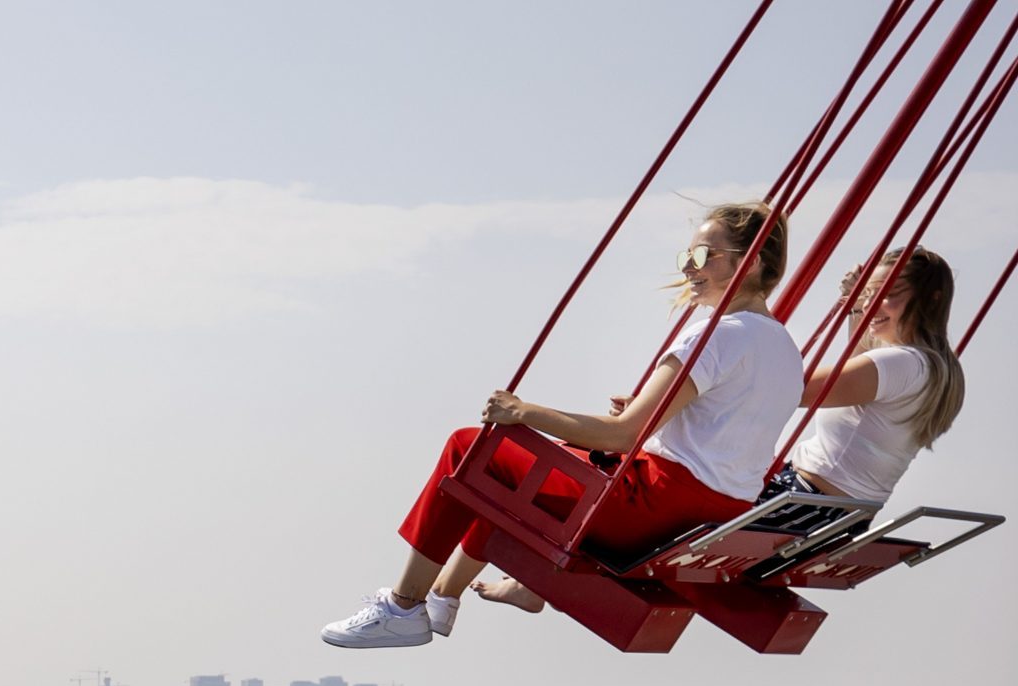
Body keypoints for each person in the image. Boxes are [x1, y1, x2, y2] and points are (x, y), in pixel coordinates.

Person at [322, 202, 803, 648]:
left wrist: (523, 412)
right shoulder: (783, 347)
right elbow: (723, 430)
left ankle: (404, 607)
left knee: (472, 449)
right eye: (688, 254)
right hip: (710, 512)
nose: (688, 267)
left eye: (703, 254)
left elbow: (623, 436)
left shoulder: (718, 333)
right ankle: (445, 598)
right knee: (530, 466)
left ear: (753, 261)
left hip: (652, 507)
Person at [474, 245, 964, 617]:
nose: (875, 304)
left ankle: (533, 580)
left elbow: (785, 386)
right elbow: (830, 379)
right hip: (832, 517)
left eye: (889, 296)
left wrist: (683, 399)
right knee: (666, 453)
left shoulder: (900, 364)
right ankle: (535, 583)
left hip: (798, 509)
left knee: (633, 486)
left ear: (929, 299)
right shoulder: (936, 369)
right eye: (870, 293)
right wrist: (678, 405)